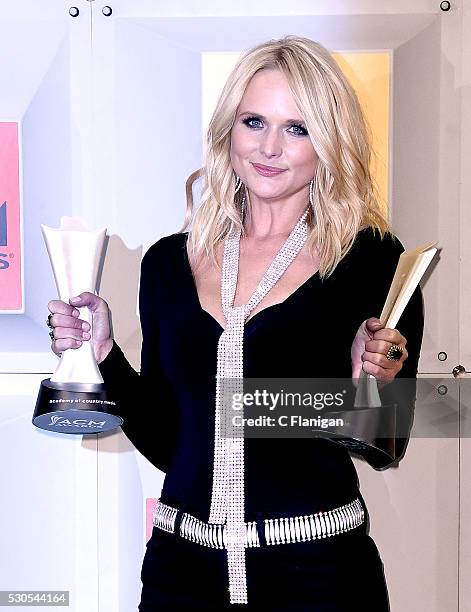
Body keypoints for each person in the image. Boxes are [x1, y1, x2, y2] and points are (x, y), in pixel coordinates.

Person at [47, 36, 424, 611]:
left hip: (319, 577)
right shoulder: (170, 264)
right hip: (180, 574)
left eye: (297, 128)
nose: (270, 147)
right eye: (255, 121)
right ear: (229, 130)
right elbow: (172, 442)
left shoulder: (373, 262)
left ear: (329, 141)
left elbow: (383, 446)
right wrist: (104, 358)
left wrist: (365, 389)